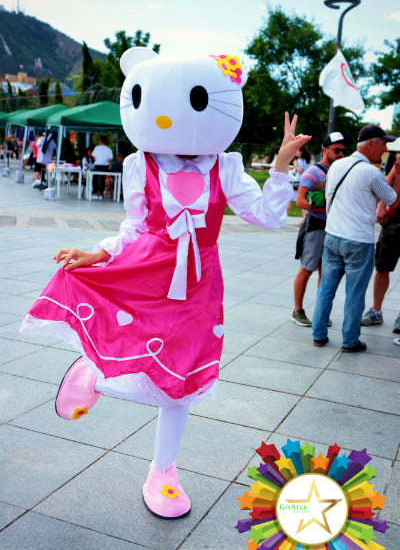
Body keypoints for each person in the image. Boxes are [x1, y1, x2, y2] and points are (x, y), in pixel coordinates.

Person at [20, 47, 310, 520]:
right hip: (145, 271)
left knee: (184, 380)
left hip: (200, 283)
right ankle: (94, 375)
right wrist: (99, 254)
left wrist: (279, 165)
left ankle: (162, 470)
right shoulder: (141, 164)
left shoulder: (226, 166)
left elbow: (269, 216)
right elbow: (135, 226)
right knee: (142, 355)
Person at [312, 124, 400, 353]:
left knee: (325, 289)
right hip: (358, 241)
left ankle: (318, 335)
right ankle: (350, 341)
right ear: (371, 143)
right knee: (355, 293)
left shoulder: (336, 165)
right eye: (383, 144)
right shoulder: (371, 172)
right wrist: (396, 172)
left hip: (333, 235)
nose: (385, 149)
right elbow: (392, 199)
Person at [291, 132, 345, 326]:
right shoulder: (313, 172)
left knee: (326, 272)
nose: (340, 154)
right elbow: (300, 201)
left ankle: (321, 313)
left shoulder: (340, 171)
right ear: (325, 150)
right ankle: (297, 310)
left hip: (333, 228)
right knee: (307, 269)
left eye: (343, 151)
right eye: (336, 150)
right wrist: (324, 209)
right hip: (315, 226)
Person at [361, 157, 400, 335]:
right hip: (393, 220)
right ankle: (376, 311)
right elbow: (387, 183)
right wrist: (382, 206)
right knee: (382, 266)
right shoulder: (399, 161)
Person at [287, 144, 311, 214]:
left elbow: (300, 170)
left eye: (296, 150)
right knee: (301, 200)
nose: (295, 152)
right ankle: (304, 217)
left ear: (300, 152)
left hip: (297, 182)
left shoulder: (299, 160)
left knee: (290, 200)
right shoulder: (304, 160)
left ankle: (282, 216)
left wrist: (295, 164)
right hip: (302, 182)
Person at [91, 135, 113, 200]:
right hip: (105, 166)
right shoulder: (109, 149)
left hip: (97, 165)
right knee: (103, 179)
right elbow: (110, 159)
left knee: (95, 178)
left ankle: (95, 193)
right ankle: (101, 194)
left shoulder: (97, 148)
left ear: (100, 140)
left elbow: (94, 158)